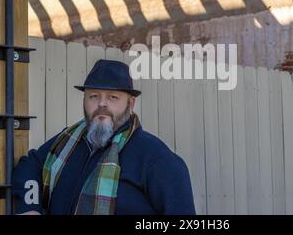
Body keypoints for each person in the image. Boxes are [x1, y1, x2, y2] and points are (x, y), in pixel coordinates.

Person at [13, 59, 196, 215]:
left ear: (130, 104)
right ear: (84, 101)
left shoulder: (156, 157)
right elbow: (30, 164)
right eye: (93, 96)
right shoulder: (67, 141)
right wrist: (30, 207)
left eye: (113, 97)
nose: (102, 104)